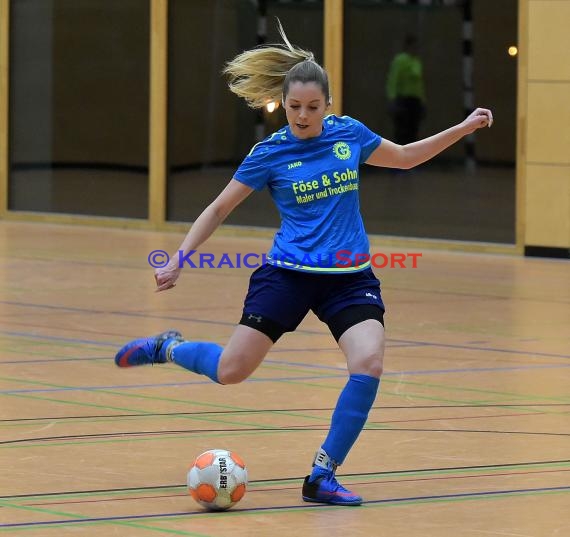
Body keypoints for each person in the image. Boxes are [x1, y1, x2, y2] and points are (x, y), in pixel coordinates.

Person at [114, 22, 493, 506]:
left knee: (369, 362)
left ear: (328, 104)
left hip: (348, 279)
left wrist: (461, 129)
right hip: (288, 274)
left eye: (313, 107)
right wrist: (179, 259)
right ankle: (169, 348)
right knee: (232, 371)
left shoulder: (349, 135)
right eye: (295, 107)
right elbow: (218, 208)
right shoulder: (269, 152)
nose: (303, 115)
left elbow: (404, 158)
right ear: (283, 103)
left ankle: (321, 476)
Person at [386, 34, 426, 145]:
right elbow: (393, 79)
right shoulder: (400, 60)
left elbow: (419, 83)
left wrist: (422, 100)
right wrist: (392, 99)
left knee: (413, 130)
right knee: (402, 130)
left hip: (415, 100)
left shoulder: (417, 61)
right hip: (403, 100)